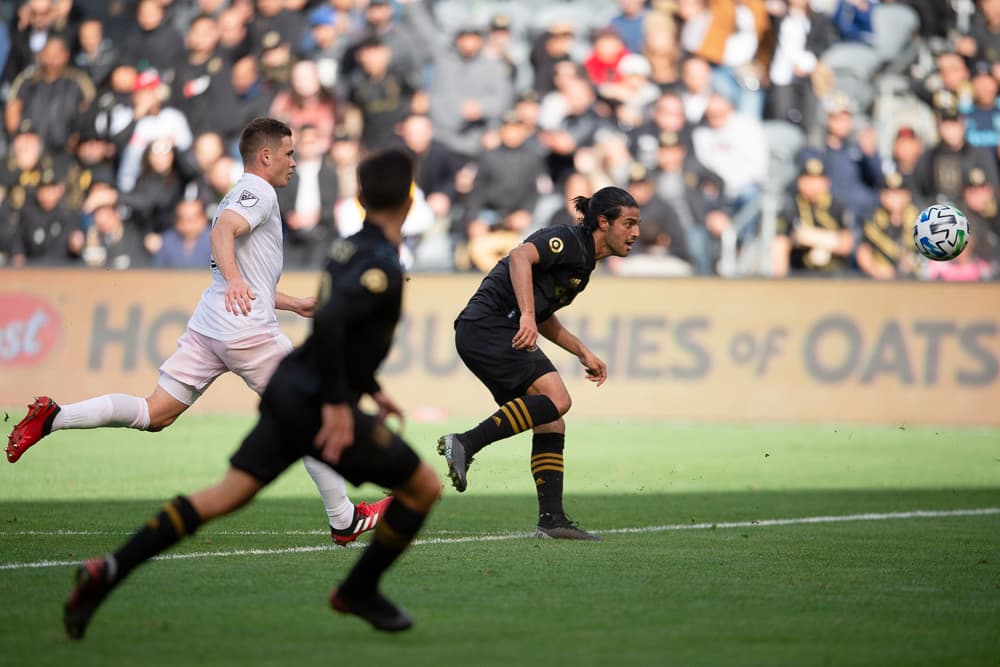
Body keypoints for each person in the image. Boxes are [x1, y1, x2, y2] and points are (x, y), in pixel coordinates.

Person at [62, 146, 440, 639]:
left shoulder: (348, 247)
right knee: (423, 487)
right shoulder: (381, 264)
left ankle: (111, 568)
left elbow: (335, 319)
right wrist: (337, 404)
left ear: (362, 199)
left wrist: (370, 388)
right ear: (409, 204)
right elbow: (328, 323)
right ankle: (357, 589)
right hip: (314, 399)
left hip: (289, 391)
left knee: (223, 496)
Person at [6, 118, 387, 548]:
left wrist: (291, 301)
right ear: (266, 156)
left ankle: (55, 417)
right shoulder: (258, 191)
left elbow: (242, 271)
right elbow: (222, 231)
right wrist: (238, 281)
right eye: (289, 153)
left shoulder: (241, 190)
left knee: (155, 413)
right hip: (247, 334)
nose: (294, 162)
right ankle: (344, 519)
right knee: (314, 416)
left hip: (211, 326)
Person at [437, 186, 642, 541]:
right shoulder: (567, 240)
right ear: (603, 222)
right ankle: (466, 442)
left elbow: (544, 316)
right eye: (629, 223)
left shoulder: (584, 266)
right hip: (488, 325)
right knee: (558, 398)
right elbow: (519, 257)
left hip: (492, 329)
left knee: (552, 421)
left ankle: (552, 520)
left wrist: (582, 351)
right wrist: (526, 317)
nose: (636, 233)